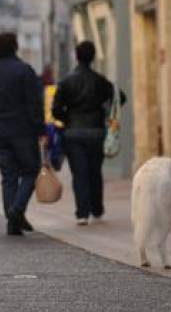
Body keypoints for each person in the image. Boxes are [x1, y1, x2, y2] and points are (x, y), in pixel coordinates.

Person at [52, 41, 125, 226]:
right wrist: (106, 112)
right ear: (93, 57)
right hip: (96, 132)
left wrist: (68, 118)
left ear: (76, 56)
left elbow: (55, 110)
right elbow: (120, 97)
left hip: (73, 133)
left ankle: (82, 213)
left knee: (79, 174)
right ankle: (97, 209)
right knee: (95, 171)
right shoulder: (100, 80)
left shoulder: (66, 81)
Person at [0, 33, 44, 236]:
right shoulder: (25, 71)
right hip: (23, 130)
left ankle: (12, 221)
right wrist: (39, 128)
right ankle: (16, 210)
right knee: (31, 171)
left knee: (8, 176)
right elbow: (34, 103)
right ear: (15, 47)